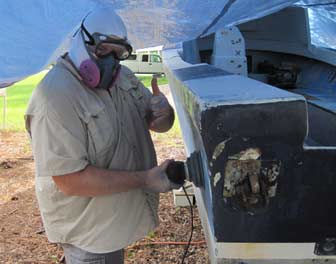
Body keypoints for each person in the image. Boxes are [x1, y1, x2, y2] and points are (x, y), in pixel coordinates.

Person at [25, 6, 181, 264]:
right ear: (79, 42)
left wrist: (165, 114)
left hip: (112, 224)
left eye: (118, 54)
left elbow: (158, 124)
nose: (110, 62)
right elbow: (70, 180)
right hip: (90, 234)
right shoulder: (54, 98)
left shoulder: (123, 78)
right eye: (102, 50)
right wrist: (145, 180)